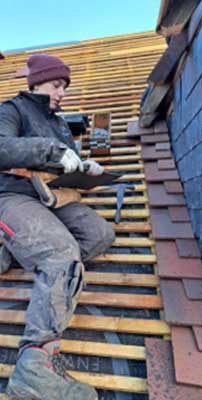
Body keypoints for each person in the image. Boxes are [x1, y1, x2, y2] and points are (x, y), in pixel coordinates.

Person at [0, 53, 114, 399]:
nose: (62, 92)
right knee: (61, 254)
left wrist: (84, 166)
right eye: (55, 84)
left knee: (100, 235)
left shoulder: (59, 123)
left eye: (64, 86)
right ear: (35, 82)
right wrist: (50, 150)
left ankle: (15, 250)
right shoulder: (13, 109)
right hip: (14, 196)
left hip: (55, 198)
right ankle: (35, 367)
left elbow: (65, 162)